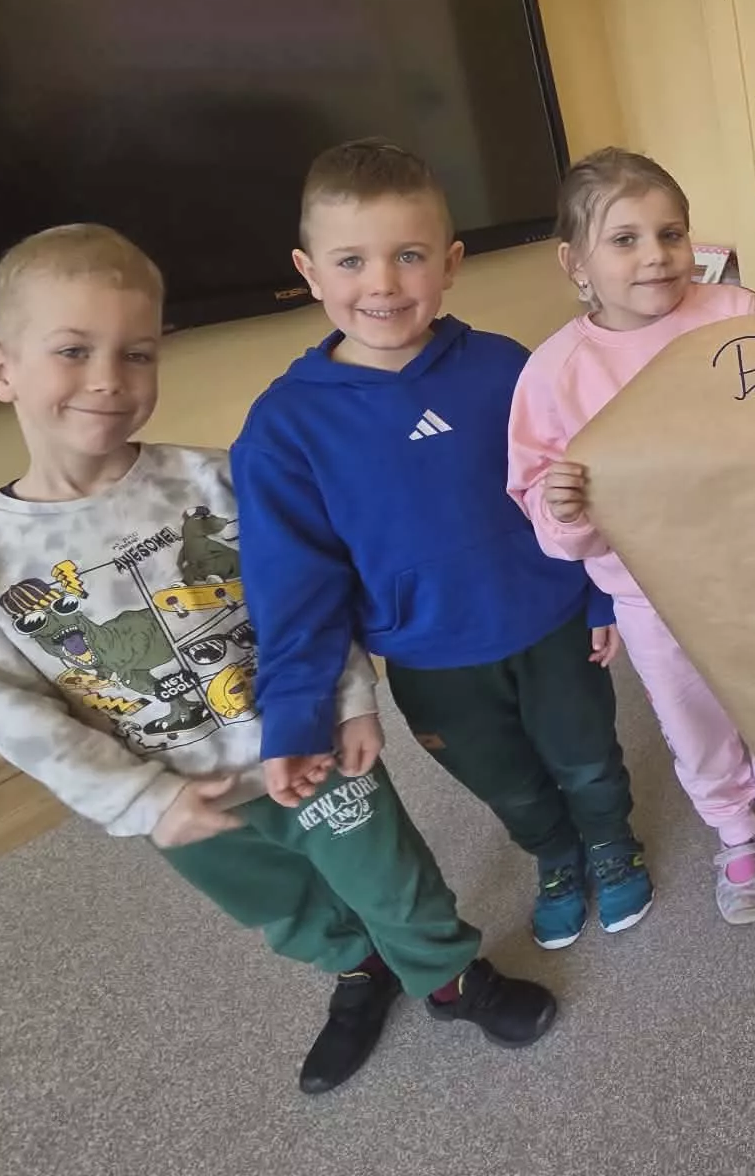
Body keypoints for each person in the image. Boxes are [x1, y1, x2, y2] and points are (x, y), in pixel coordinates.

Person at [0, 225, 555, 1096]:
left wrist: (352, 698)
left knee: (392, 880)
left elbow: (309, 600)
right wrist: (138, 800)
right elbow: (16, 713)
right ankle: (359, 968)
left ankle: (447, 978)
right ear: (2, 372)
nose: (108, 379)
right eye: (73, 351)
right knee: (278, 905)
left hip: (307, 743)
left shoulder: (220, 481)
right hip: (177, 790)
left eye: (137, 353)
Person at [233, 140, 649, 954]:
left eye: (409, 255)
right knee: (508, 784)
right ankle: (556, 857)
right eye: (351, 261)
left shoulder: (507, 368)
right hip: (431, 659)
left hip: (552, 623)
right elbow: (292, 587)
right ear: (309, 272)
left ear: (451, 263)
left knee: (589, 759)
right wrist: (297, 717)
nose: (382, 284)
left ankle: (610, 841)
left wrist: (601, 592)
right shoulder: (284, 428)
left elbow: (578, 485)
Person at [506, 148, 755, 924]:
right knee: (694, 721)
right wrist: (565, 508)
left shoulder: (732, 312)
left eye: (671, 233)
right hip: (652, 595)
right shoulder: (555, 372)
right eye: (625, 240)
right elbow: (538, 491)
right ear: (575, 263)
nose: (655, 255)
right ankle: (733, 831)